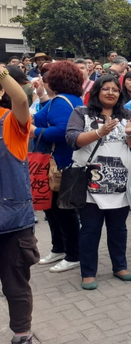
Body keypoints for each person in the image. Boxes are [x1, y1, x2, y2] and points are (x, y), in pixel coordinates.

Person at [65, 76, 131, 290]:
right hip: (90, 185)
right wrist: (99, 132)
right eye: (105, 89)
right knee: (90, 229)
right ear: (97, 91)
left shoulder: (127, 116)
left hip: (119, 183)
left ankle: (120, 266)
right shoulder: (81, 113)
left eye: (115, 90)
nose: (111, 93)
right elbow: (72, 139)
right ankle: (88, 272)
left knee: (118, 229)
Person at [32, 61, 84, 273]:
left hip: (61, 162)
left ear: (56, 79)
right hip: (60, 161)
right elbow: (42, 116)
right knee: (52, 208)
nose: (45, 80)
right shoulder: (63, 100)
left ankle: (73, 254)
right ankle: (59, 248)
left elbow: (63, 131)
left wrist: (35, 132)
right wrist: (42, 96)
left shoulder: (62, 102)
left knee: (63, 210)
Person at [0, 65, 39, 344]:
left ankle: (22, 334)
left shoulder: (10, 121)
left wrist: (2, 73)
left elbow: (22, 100)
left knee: (15, 283)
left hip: (12, 221)